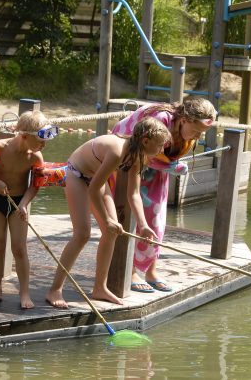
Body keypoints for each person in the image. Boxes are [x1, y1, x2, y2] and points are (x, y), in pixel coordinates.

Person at [46, 117, 171, 308]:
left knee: (111, 232)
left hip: (94, 179)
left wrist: (143, 225)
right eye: (160, 145)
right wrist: (106, 219)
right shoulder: (116, 150)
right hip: (76, 175)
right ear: (146, 141)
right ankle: (55, 289)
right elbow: (93, 190)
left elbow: (134, 194)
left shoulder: (137, 156)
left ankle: (100, 287)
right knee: (82, 234)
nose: (162, 150)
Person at [112, 98, 217, 293]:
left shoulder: (186, 131)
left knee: (157, 221)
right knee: (133, 216)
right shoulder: (160, 119)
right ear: (184, 120)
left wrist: (169, 165)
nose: (197, 137)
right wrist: (170, 166)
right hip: (129, 162)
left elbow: (166, 154)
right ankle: (131, 270)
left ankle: (151, 270)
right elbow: (139, 148)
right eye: (196, 131)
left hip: (157, 169)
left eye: (201, 134)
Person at [0, 111, 56, 309]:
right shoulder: (1, 147)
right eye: (40, 141)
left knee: (19, 248)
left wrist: (24, 203)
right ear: (25, 135)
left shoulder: (35, 156)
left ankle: (24, 293)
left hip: (19, 201)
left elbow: (35, 184)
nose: (43, 145)